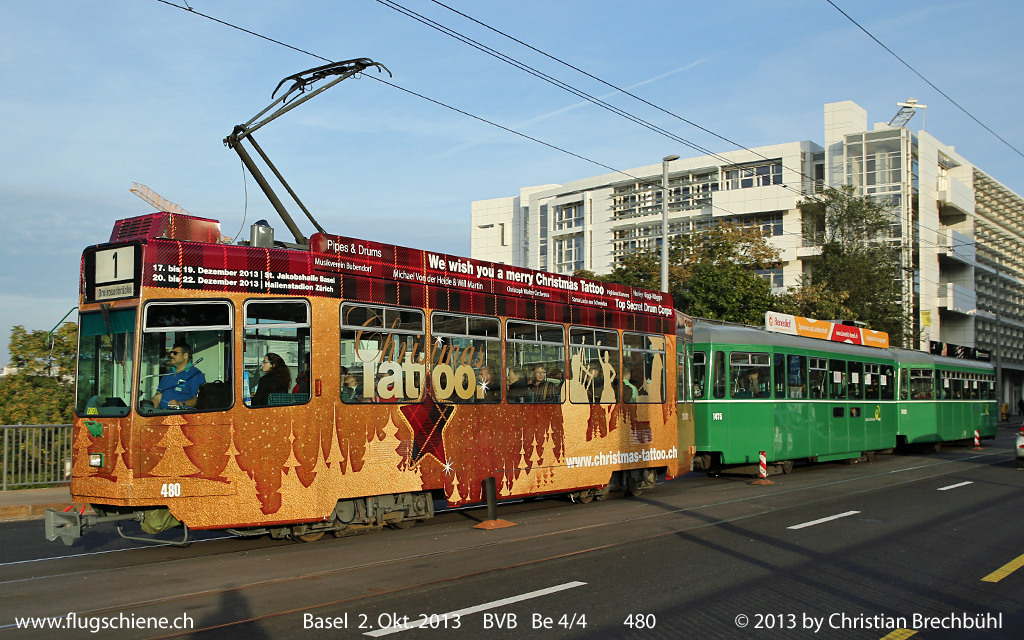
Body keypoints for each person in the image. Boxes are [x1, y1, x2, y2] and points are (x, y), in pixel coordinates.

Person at [152, 343, 205, 410]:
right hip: (162, 415)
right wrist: (149, 408)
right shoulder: (168, 374)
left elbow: (198, 399)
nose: (171, 355)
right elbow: (158, 396)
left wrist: (180, 403)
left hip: (182, 416)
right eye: (171, 352)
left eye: (175, 353)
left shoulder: (195, 375)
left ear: (185, 355)